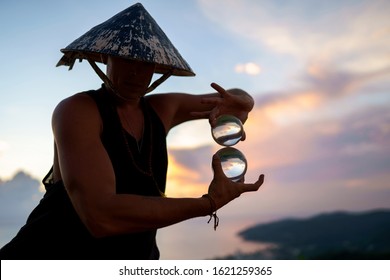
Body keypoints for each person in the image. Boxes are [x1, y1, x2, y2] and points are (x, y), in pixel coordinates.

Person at [0, 3, 264, 260]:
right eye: (127, 58)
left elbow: (235, 103)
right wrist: (208, 203)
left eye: (147, 62)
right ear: (106, 56)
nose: (137, 72)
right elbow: (100, 216)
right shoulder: (78, 110)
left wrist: (243, 102)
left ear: (159, 68)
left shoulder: (162, 108)